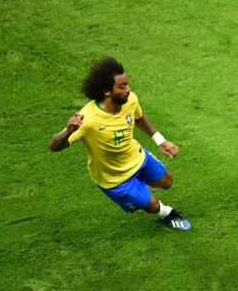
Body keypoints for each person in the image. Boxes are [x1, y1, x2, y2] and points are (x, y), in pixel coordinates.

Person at [49, 57, 191, 231]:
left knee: (167, 182)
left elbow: (138, 117)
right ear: (107, 91)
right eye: (122, 86)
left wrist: (160, 140)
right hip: (114, 178)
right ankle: (166, 213)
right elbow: (54, 146)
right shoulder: (88, 118)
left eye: (127, 84)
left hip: (137, 157)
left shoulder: (130, 100)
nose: (128, 89)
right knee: (153, 205)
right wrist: (67, 132)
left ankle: (140, 190)